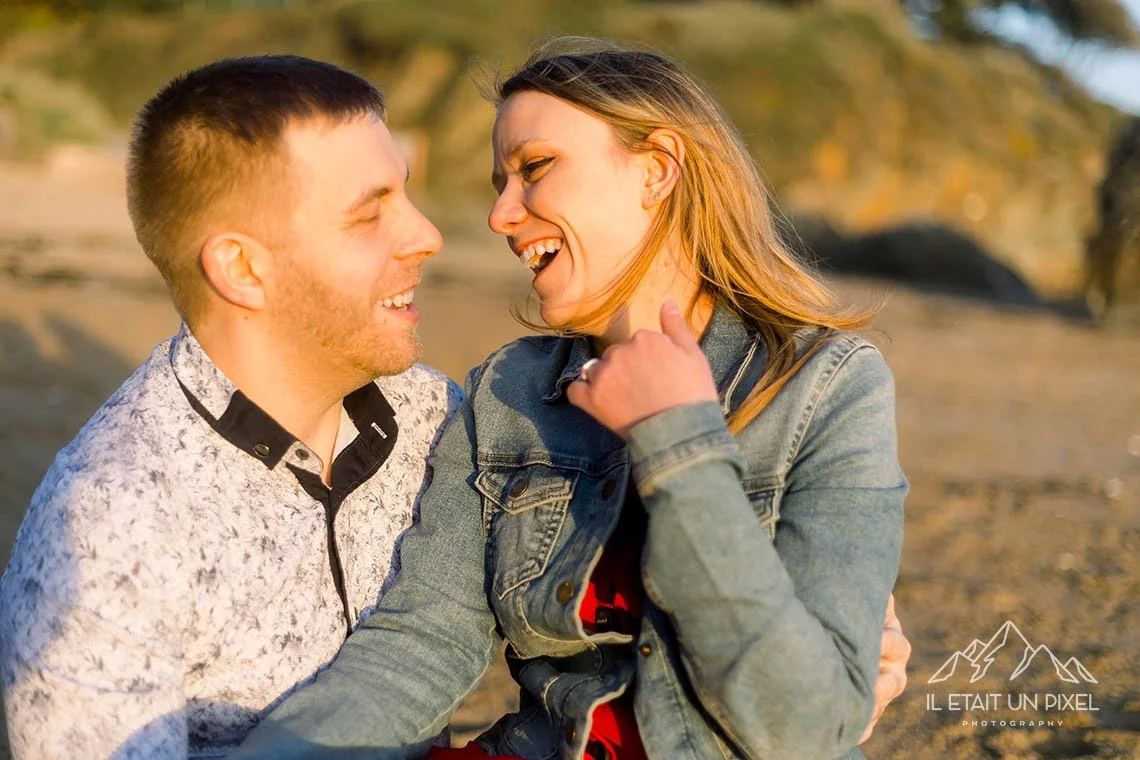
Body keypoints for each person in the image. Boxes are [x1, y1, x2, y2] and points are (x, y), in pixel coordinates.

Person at [233, 39, 908, 760]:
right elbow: (421, 645)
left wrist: (679, 444)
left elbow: (806, 728)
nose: (500, 215)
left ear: (657, 170)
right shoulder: (507, 393)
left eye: (535, 168)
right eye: (499, 183)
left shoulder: (828, 388)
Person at [0, 56, 458, 758]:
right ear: (243, 269)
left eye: (405, 195)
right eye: (371, 213)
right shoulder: (113, 528)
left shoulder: (434, 414)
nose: (427, 236)